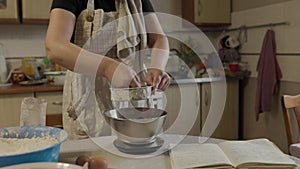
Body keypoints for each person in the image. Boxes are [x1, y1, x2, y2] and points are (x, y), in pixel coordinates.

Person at [45, 0, 170, 139]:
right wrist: (109, 68)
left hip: (134, 97)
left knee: (137, 153)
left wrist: (158, 66)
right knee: (92, 156)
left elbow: (159, 38)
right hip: (88, 100)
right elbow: (54, 47)